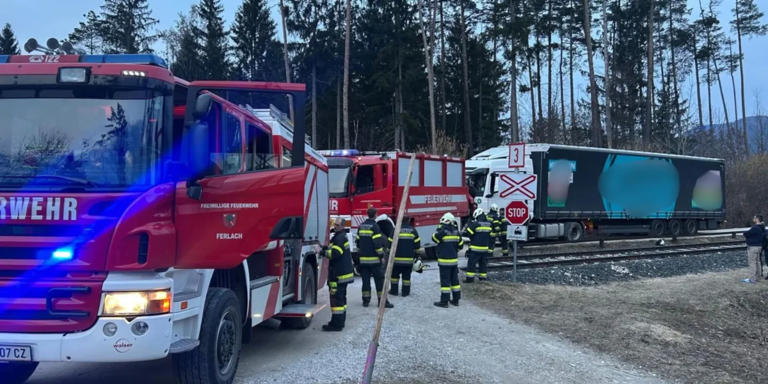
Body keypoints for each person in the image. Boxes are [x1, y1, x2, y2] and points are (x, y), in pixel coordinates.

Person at [355, 207, 394, 308]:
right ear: (375, 214)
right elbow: (377, 244)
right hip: (375, 261)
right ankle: (382, 302)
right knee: (379, 281)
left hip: (363, 260)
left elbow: (358, 243)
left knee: (366, 281)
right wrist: (381, 255)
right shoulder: (375, 227)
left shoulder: (361, 226)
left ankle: (366, 301)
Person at [324, 218, 355, 331]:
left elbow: (335, 253)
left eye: (337, 225)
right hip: (342, 275)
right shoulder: (340, 236)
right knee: (341, 300)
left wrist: (321, 252)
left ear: (342, 226)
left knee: (337, 301)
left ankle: (336, 325)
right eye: (334, 224)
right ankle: (339, 322)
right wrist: (325, 248)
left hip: (338, 276)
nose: (334, 226)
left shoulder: (340, 238)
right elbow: (334, 249)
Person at [433, 213, 464, 307]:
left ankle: (444, 302)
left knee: (445, 283)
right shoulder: (456, 232)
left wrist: (440, 230)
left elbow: (434, 238)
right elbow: (461, 246)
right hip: (454, 262)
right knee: (455, 282)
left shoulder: (442, 232)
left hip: (444, 262)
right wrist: (453, 251)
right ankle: (456, 300)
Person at [390, 217, 421, 297]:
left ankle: (394, 291)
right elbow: (417, 246)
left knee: (394, 277)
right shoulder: (413, 231)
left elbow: (389, 243)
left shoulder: (395, 230)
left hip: (396, 260)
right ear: (409, 220)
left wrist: (388, 254)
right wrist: (417, 256)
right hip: (408, 260)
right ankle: (405, 292)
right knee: (406, 278)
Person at [463, 208, 493, 282]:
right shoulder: (489, 224)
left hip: (475, 249)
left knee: (471, 264)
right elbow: (491, 236)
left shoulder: (476, 224)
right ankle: (482, 278)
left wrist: (469, 225)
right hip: (485, 249)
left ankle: (470, 279)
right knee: (483, 264)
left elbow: (469, 232)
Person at [742, 215, 765, 284]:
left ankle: (752, 279)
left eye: (754, 218)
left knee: (752, 263)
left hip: (753, 247)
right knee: (758, 262)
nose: (753, 219)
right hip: (759, 247)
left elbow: (746, 234)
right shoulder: (762, 227)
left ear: (757, 219)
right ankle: (758, 277)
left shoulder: (755, 227)